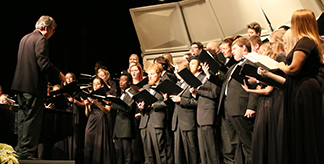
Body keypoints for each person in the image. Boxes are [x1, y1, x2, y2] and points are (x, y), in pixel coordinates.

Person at [260, 9, 324, 164]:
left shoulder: (305, 41)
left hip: (305, 90)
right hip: (301, 88)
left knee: (305, 129)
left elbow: (293, 69)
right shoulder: (309, 40)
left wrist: (279, 65)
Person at [11, 15, 65, 160]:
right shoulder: (41, 39)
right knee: (32, 121)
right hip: (32, 86)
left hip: (20, 86)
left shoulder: (25, 38)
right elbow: (43, 64)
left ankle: (19, 150)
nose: (53, 34)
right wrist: (60, 74)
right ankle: (27, 153)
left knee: (22, 118)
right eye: (53, 30)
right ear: (46, 28)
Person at [218, 37, 258, 164]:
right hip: (230, 108)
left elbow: (254, 86)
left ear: (244, 48)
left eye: (234, 48)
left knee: (248, 143)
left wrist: (251, 106)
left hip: (241, 108)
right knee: (236, 143)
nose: (232, 51)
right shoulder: (235, 65)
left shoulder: (251, 63)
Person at [137, 63, 169, 164]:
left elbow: (167, 103)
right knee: (147, 152)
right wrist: (141, 107)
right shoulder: (145, 87)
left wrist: (154, 105)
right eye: (149, 74)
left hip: (157, 121)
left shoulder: (164, 85)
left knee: (160, 150)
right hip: (145, 122)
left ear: (159, 74)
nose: (150, 76)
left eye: (153, 74)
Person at [170, 61, 199, 164]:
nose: (175, 72)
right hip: (177, 122)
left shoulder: (191, 84)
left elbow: (197, 102)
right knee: (179, 152)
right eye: (175, 70)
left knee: (191, 150)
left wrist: (180, 100)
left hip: (188, 122)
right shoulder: (177, 84)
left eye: (178, 70)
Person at [83, 77, 115, 164]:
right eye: (94, 84)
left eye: (97, 84)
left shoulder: (106, 96)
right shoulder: (90, 95)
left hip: (101, 120)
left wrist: (97, 103)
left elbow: (107, 111)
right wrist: (86, 105)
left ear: (101, 85)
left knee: (100, 143)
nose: (95, 86)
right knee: (89, 144)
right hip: (91, 120)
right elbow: (87, 114)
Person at [111, 72, 137, 164]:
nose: (120, 82)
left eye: (123, 80)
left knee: (127, 155)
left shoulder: (132, 93)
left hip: (126, 127)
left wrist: (113, 105)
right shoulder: (121, 94)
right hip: (118, 129)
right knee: (118, 155)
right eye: (120, 80)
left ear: (129, 82)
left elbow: (128, 108)